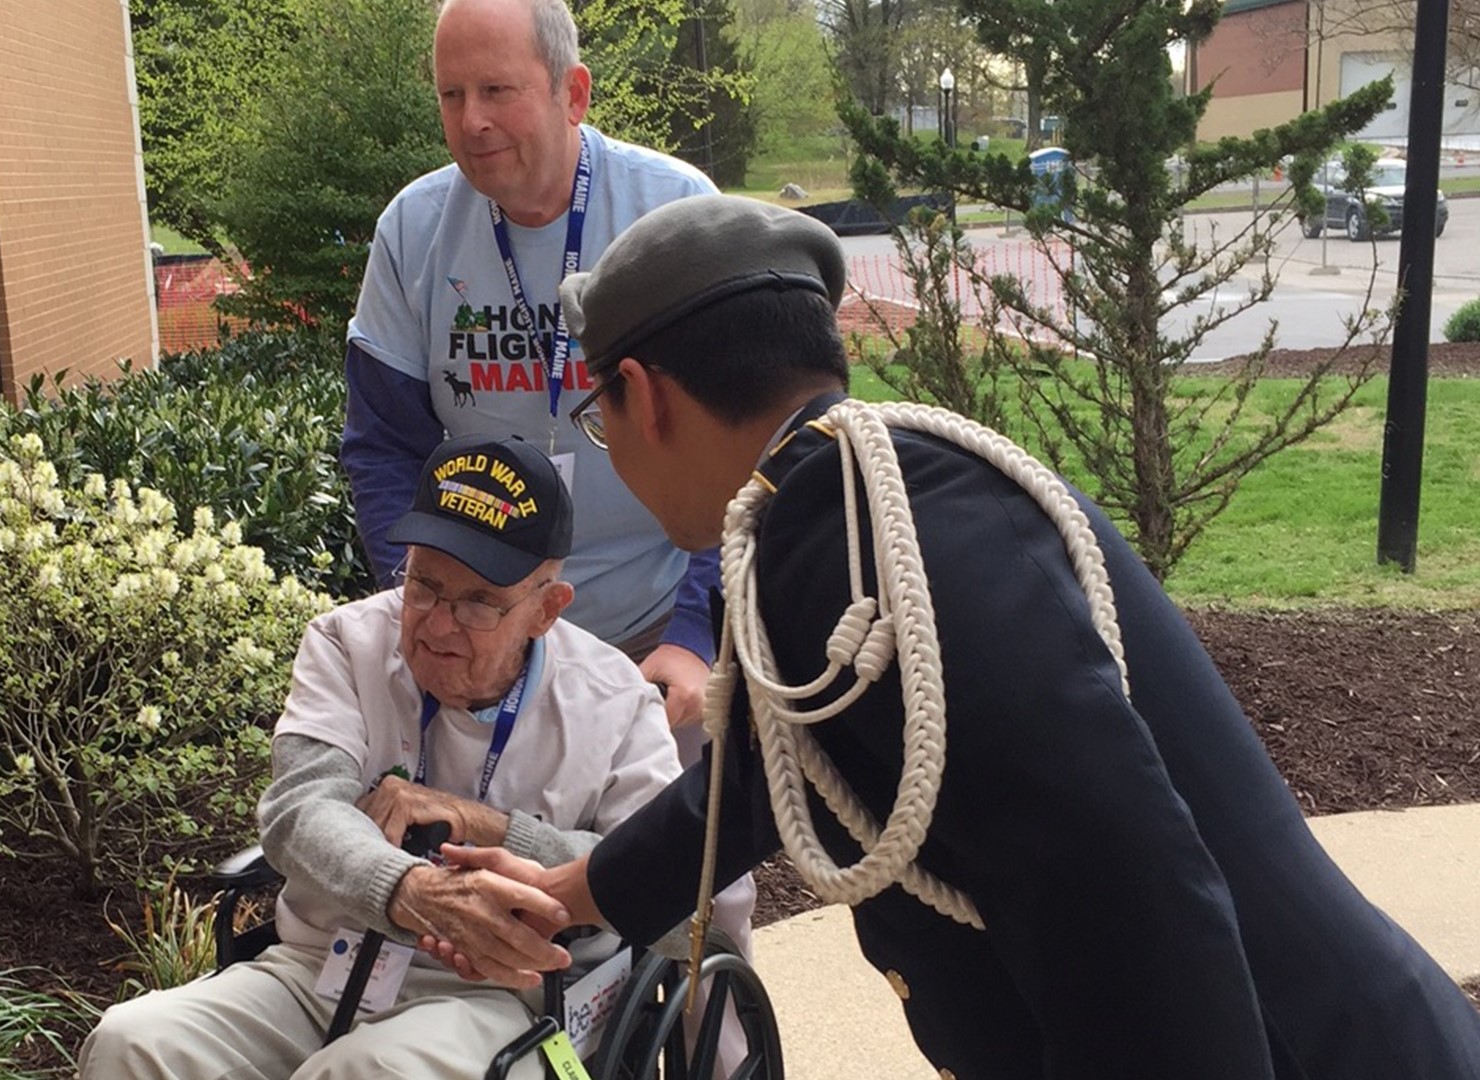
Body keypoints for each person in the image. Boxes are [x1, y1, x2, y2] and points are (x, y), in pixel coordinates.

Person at [435, 194, 1480, 1078]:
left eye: (596, 418)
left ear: (643, 397)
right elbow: (775, 773)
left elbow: (1127, 883)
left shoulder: (868, 536)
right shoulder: (843, 513)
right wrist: (575, 891)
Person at [79, 434, 694, 1080]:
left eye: (479, 602)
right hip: (321, 967)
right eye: (424, 585)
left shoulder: (616, 703)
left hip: (510, 997)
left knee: (366, 1072)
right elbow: (300, 810)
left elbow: (678, 908)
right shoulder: (347, 643)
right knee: (131, 1041)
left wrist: (489, 828)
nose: (435, 623)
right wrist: (408, 889)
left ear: (546, 609)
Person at [341, 0, 720, 733]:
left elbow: (749, 452)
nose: (471, 120)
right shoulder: (412, 230)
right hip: (484, 637)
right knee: (491, 846)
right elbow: (383, 445)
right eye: (451, 95)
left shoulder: (677, 217)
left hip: (657, 637)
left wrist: (696, 632)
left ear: (572, 93)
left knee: (657, 850)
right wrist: (428, 606)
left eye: (496, 91)